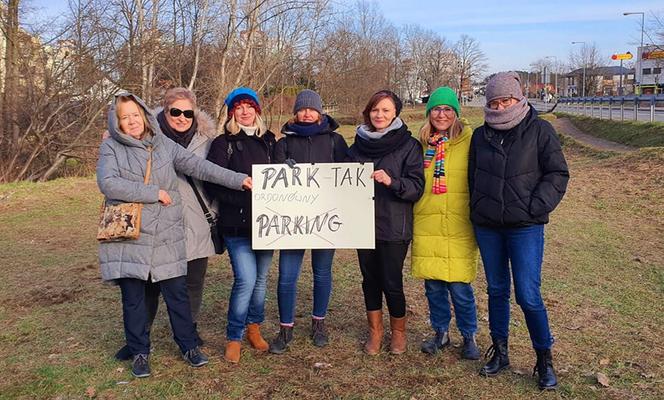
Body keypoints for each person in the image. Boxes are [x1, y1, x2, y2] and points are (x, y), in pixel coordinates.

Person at [97, 92, 251, 378]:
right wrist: (153, 193)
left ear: (143, 114)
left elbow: (200, 167)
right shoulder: (111, 148)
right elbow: (108, 184)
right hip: (132, 234)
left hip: (167, 232)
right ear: (117, 122)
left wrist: (239, 180)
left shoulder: (162, 144)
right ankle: (140, 351)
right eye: (124, 117)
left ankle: (189, 346)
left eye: (134, 115)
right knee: (135, 298)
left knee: (178, 294)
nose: (131, 122)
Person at [468, 72, 569, 390]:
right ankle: (500, 352)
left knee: (527, 294)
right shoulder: (480, 136)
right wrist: (479, 208)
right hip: (488, 227)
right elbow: (472, 176)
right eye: (494, 102)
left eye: (506, 100)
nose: (500, 106)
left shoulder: (540, 130)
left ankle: (544, 360)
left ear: (519, 98)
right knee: (497, 290)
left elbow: (557, 173)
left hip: (525, 227)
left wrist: (536, 207)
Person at [113, 87, 219, 361]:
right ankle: (139, 337)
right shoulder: (143, 138)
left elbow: (214, 173)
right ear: (164, 110)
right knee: (148, 284)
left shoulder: (207, 140)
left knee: (193, 281)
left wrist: (214, 210)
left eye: (188, 112)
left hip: (195, 219)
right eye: (176, 112)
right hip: (154, 220)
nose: (182, 117)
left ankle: (189, 333)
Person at [268, 89, 349, 354]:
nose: (306, 113)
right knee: (287, 276)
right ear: (295, 113)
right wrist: (282, 168)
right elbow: (273, 180)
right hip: (293, 222)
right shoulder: (284, 143)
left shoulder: (336, 141)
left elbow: (347, 175)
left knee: (322, 273)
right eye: (302, 109)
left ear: (320, 112)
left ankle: (319, 323)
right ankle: (285, 328)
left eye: (311, 109)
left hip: (325, 220)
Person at [347, 90, 424, 355]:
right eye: (375, 110)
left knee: (391, 281)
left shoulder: (409, 145)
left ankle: (399, 332)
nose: (379, 115)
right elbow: (338, 181)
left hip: (393, 225)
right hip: (362, 224)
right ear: (368, 112)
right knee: (369, 279)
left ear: (395, 114)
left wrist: (392, 181)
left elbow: (416, 187)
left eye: (386, 111)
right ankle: (375, 331)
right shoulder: (356, 146)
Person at [205, 87, 276, 364]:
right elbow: (214, 183)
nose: (245, 111)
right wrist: (244, 192)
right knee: (245, 280)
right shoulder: (223, 144)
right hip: (237, 225)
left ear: (257, 110)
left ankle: (254, 327)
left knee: (260, 281)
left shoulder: (270, 141)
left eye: (249, 106)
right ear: (232, 112)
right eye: (239, 107)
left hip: (269, 225)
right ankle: (234, 336)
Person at [411, 87, 480, 360]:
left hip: (459, 224)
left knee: (460, 288)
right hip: (427, 223)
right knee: (434, 288)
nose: (442, 114)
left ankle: (469, 335)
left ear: (456, 113)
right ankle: (440, 332)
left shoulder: (471, 142)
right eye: (437, 109)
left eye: (447, 109)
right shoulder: (420, 144)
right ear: (429, 113)